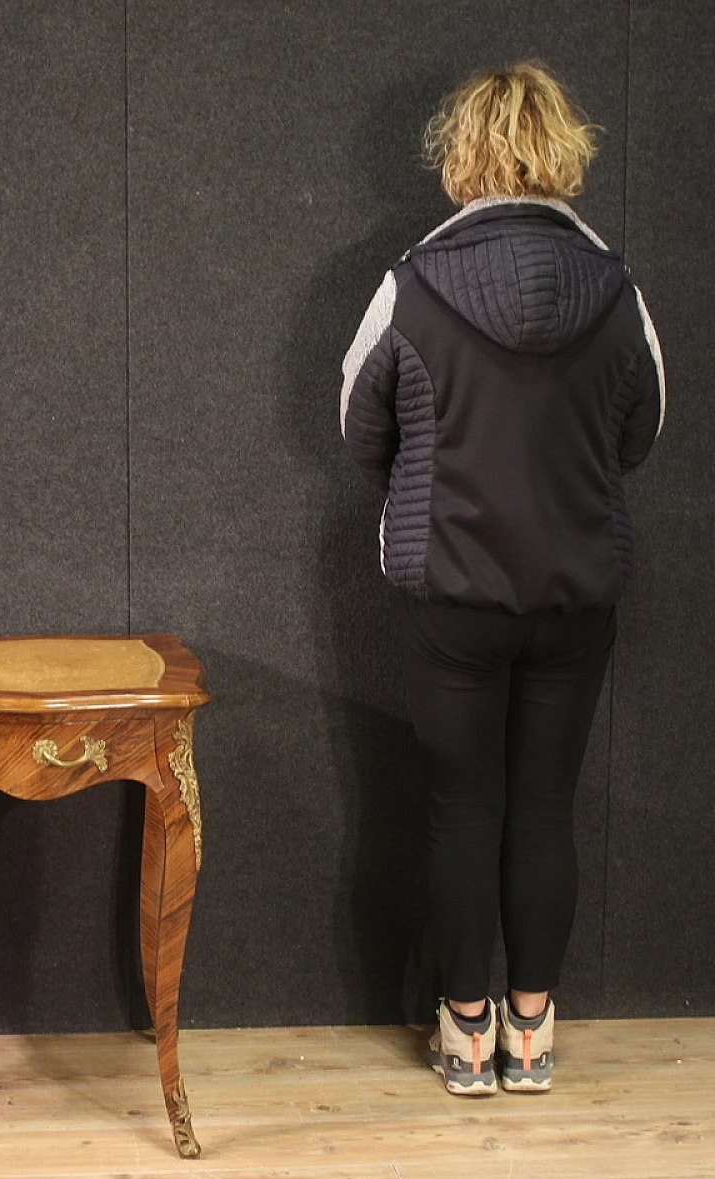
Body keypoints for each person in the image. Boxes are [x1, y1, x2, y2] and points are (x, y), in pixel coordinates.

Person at [339, 64, 664, 1095]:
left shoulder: (410, 284)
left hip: (449, 589)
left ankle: (464, 1032)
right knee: (542, 810)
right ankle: (533, 1032)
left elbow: (357, 429)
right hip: (575, 593)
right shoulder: (618, 290)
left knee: (459, 809)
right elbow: (640, 432)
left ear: (460, 154)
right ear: (563, 150)